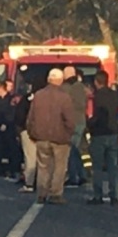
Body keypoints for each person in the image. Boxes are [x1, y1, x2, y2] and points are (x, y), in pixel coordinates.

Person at [27, 68, 75, 205]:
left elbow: (31, 117)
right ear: (60, 81)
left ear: (48, 79)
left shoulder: (38, 95)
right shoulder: (65, 97)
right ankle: (56, 193)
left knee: (43, 166)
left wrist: (31, 133)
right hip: (60, 138)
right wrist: (69, 133)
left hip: (41, 137)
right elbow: (70, 120)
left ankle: (41, 193)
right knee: (60, 167)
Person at [87, 71, 118, 205]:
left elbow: (95, 117)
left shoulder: (96, 97)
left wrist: (89, 125)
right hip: (113, 133)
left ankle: (98, 194)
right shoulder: (115, 95)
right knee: (113, 166)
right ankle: (114, 195)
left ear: (96, 82)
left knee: (98, 166)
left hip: (99, 134)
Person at [15, 76, 44, 193]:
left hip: (28, 131)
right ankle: (43, 184)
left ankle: (29, 183)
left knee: (30, 158)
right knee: (44, 160)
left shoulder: (27, 99)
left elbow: (19, 115)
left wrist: (21, 129)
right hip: (44, 132)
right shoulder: (45, 99)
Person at [62, 66, 88, 187]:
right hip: (81, 120)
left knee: (70, 149)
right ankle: (82, 175)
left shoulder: (66, 88)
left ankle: (73, 176)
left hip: (71, 121)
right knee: (76, 149)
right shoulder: (81, 87)